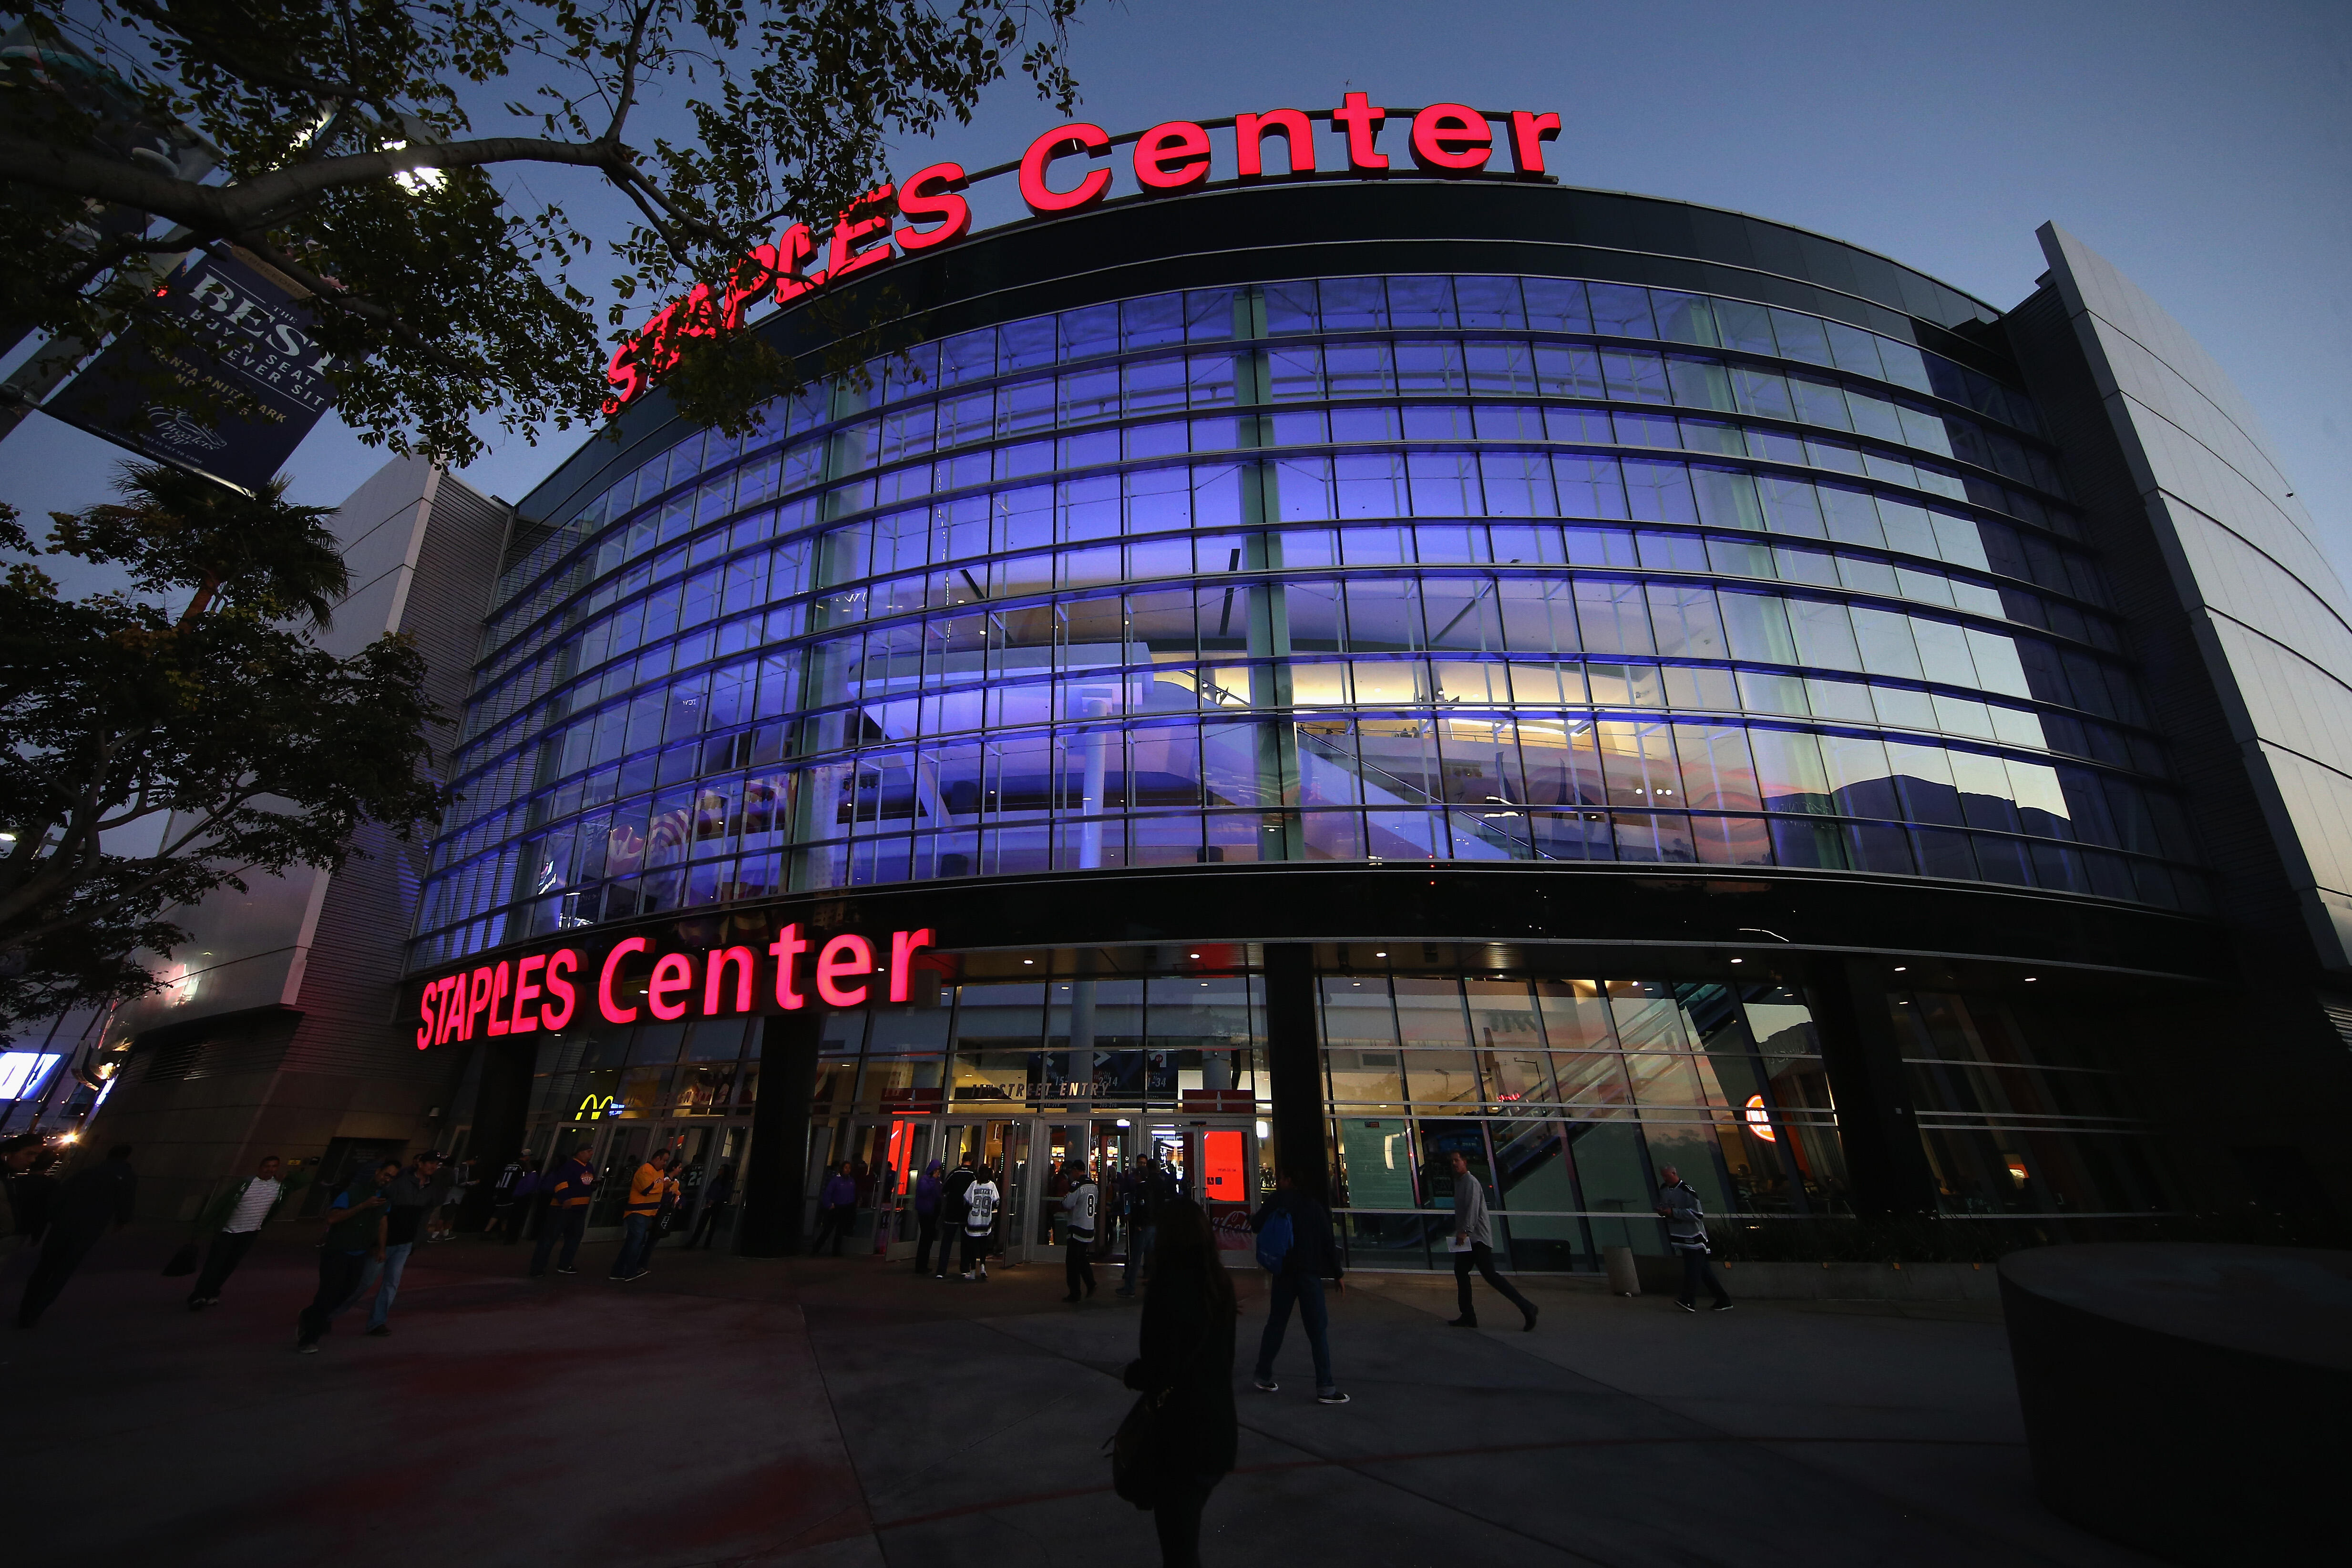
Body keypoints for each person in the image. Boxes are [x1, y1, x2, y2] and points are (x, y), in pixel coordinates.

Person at [1124, 1198, 1237, 1568]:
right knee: (1183, 1542)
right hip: (1217, 1428)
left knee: (1179, 1549)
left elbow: (1160, 1366)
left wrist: (1133, 1374)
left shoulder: (1168, 1288)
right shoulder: (1219, 1285)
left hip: (1180, 1436)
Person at [1249, 1166, 1349, 1403]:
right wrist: (1338, 1274)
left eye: (1279, 1178)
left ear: (1288, 1179)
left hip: (1284, 1272)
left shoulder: (1277, 1200)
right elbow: (1327, 1241)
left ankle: (1263, 1374)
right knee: (1317, 1331)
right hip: (1309, 1274)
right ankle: (1325, 1387)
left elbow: (1257, 1225)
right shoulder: (1313, 1206)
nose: (1276, 1181)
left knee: (1276, 1324)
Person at [17, 1142, 136, 1328]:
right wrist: (121, 1221)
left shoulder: (87, 1172)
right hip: (89, 1228)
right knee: (63, 1271)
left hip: (64, 1224)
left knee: (44, 1268)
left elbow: (60, 1196)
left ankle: (26, 1309)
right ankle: (36, 1311)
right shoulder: (126, 1177)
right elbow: (126, 1201)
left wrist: (53, 1219)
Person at [296, 1158, 394, 1353]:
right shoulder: (352, 1193)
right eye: (386, 1174)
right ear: (377, 1172)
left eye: (392, 1177)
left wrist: (381, 1248)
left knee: (348, 1291)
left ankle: (310, 1315)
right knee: (328, 1293)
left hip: (360, 1252)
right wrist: (364, 1206)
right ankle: (309, 1338)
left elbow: (383, 1223)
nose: (387, 1179)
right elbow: (333, 1218)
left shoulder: (384, 1199)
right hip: (338, 1251)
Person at [1446, 1149, 1538, 1332]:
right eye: (1452, 1162)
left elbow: (1472, 1209)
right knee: (1461, 1272)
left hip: (1477, 1238)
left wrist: (1464, 1232)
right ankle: (1468, 1315)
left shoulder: (1470, 1182)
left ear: (1465, 1162)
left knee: (1490, 1275)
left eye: (1457, 1160)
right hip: (1470, 1238)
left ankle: (1527, 1307)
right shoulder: (1460, 1182)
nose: (1455, 1164)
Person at [359, 1150, 445, 1335]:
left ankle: (377, 1323)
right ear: (420, 1163)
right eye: (430, 1162)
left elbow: (424, 1216)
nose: (433, 1166)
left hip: (404, 1242)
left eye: (436, 1164)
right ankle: (326, 1314)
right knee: (365, 1283)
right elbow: (382, 1212)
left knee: (391, 1284)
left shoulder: (430, 1188)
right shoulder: (401, 1183)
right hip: (387, 1240)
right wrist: (376, 1241)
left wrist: (416, 1240)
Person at [185, 1155, 287, 1310]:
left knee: (229, 1265)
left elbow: (304, 1179)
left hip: (250, 1233)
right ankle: (199, 1295)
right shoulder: (247, 1183)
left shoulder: (279, 1187)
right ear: (260, 1167)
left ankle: (212, 1292)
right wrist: (201, 1229)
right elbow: (221, 1204)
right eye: (267, 1166)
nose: (270, 1170)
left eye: (274, 1167)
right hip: (228, 1231)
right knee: (214, 1264)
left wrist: (288, 1177)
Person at [1655, 1164, 1733, 1313]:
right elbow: (1667, 1206)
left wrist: (1674, 1213)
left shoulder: (1687, 1191)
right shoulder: (1664, 1189)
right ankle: (1723, 1299)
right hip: (1681, 1235)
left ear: (1674, 1173)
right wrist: (1664, 1211)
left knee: (1693, 1270)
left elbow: (1697, 1214)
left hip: (1694, 1237)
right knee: (1703, 1271)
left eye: (1667, 1175)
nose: (1665, 1178)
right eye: (1663, 1176)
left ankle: (1688, 1299)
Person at [529, 1143, 599, 1277]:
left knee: (574, 1238)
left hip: (580, 1208)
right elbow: (560, 1183)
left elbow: (587, 1184)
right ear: (580, 1153)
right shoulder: (569, 1166)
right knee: (550, 1238)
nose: (591, 1154)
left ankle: (565, 1264)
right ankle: (537, 1267)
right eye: (589, 1151)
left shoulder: (589, 1167)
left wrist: (593, 1185)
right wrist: (565, 1198)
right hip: (562, 1209)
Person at [609, 1148, 673, 1281]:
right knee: (636, 1241)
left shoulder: (660, 1172)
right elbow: (646, 1189)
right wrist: (663, 1186)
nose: (665, 1164)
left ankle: (619, 1271)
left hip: (648, 1212)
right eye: (664, 1160)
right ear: (657, 1159)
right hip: (637, 1211)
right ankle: (630, 1270)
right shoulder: (645, 1170)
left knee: (633, 1241)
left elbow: (656, 1190)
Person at [1117, 1156, 1168, 1298]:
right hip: (1155, 1224)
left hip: (1145, 1226)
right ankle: (1156, 1285)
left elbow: (1143, 1206)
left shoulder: (1143, 1188)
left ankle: (1129, 1287)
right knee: (1152, 1256)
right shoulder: (1160, 1183)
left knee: (1136, 1257)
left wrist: (1139, 1223)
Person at [1059, 1159, 1099, 1302]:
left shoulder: (1077, 1185)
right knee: (1082, 1259)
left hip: (1077, 1228)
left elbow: (1067, 1203)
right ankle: (1090, 1284)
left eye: (1072, 1171)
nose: (1071, 1174)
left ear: (1076, 1170)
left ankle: (1075, 1292)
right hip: (1089, 1227)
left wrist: (1063, 1201)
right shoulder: (1093, 1186)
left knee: (1072, 1263)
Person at [936, 1154, 977, 1279]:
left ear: (962, 1160)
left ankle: (941, 1271)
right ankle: (965, 1269)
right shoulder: (973, 1174)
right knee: (966, 1242)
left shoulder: (954, 1173)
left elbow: (944, 1190)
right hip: (966, 1212)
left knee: (947, 1242)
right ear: (971, 1161)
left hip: (952, 1211)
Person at [959, 1162, 999, 1281]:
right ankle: (983, 1267)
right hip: (985, 1220)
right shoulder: (992, 1186)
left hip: (974, 1219)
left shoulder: (974, 1184)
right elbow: (996, 1201)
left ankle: (972, 1271)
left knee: (973, 1247)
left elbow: (966, 1200)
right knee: (983, 1246)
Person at [487, 1155, 538, 1241]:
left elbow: (501, 1179)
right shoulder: (521, 1170)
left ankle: (502, 1232)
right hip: (511, 1194)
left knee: (504, 1213)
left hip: (504, 1191)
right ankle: (489, 1231)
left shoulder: (509, 1167)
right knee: (503, 1212)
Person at [811, 1160, 856, 1256]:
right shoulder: (836, 1180)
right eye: (846, 1168)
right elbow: (828, 1193)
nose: (848, 1170)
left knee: (840, 1231)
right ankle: (815, 1250)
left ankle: (836, 1251)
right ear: (842, 1169)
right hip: (837, 1207)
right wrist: (829, 1205)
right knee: (828, 1230)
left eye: (849, 1168)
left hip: (846, 1208)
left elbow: (852, 1194)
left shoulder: (851, 1181)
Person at [688, 1162, 737, 1249]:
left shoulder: (726, 1183)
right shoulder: (716, 1180)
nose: (719, 1171)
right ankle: (694, 1242)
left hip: (718, 1204)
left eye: (721, 1170)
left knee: (713, 1224)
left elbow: (724, 1194)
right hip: (711, 1203)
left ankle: (707, 1243)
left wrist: (713, 1200)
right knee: (703, 1222)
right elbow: (710, 1190)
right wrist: (709, 1198)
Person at [911, 1159, 943, 1273]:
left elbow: (939, 1195)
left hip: (933, 1212)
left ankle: (924, 1263)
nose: (938, 1173)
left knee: (928, 1239)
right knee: (926, 1238)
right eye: (937, 1170)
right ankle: (921, 1265)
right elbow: (924, 1192)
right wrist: (933, 1181)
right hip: (925, 1212)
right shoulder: (925, 1180)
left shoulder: (937, 1181)